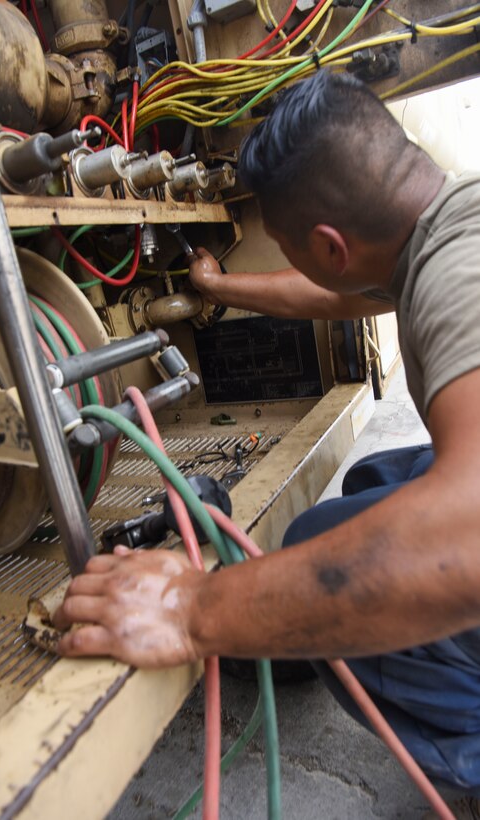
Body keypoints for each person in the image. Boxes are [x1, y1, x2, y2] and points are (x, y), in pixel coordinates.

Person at [54, 71, 480, 809]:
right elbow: (331, 290)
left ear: (328, 243)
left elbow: (467, 538)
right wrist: (220, 289)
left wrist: (194, 610)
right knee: (373, 485)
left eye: (286, 244)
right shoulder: (442, 217)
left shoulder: (459, 277)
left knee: (333, 545)